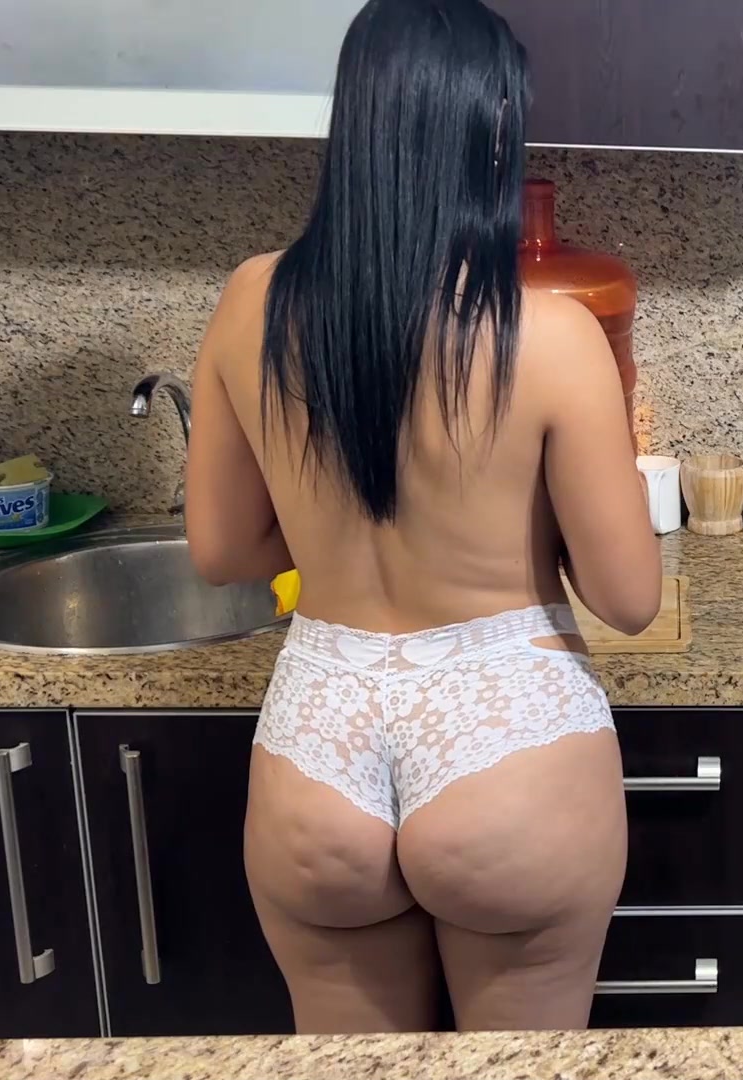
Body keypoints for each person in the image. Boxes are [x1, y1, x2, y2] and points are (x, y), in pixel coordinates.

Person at [182, 0, 661, 1034]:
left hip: (321, 737)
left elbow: (221, 549)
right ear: (496, 130)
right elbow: (628, 598)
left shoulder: (252, 300)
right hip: (511, 737)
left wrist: (333, 527)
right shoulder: (553, 336)